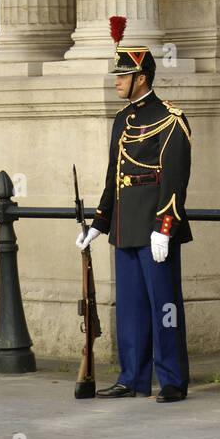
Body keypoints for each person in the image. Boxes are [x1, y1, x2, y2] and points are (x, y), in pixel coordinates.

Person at [76, 40, 191, 402]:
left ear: (141, 78)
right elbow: (114, 176)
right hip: (125, 227)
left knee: (165, 307)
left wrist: (165, 227)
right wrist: (99, 222)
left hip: (155, 229)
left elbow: (174, 180)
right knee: (131, 310)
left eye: (122, 75)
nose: (116, 81)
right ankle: (133, 378)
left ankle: (172, 379)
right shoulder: (121, 120)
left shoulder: (172, 119)